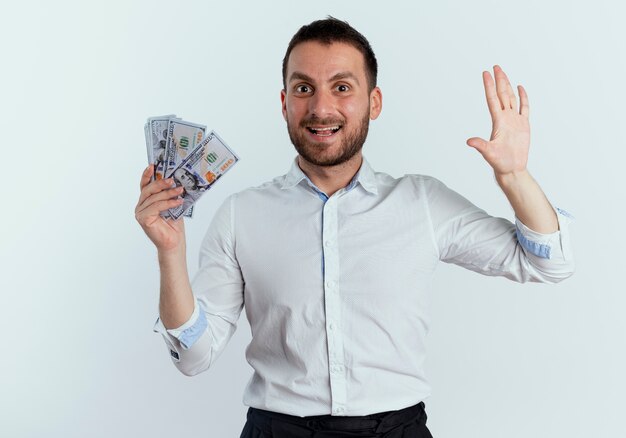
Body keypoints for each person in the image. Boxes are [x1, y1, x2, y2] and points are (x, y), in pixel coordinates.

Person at [135, 17, 574, 438]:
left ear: (374, 102)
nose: (321, 108)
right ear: (285, 103)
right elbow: (193, 357)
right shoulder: (240, 214)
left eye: (341, 87)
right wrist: (169, 253)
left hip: (398, 430)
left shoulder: (421, 202)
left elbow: (548, 265)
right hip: (277, 430)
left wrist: (515, 177)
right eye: (304, 88)